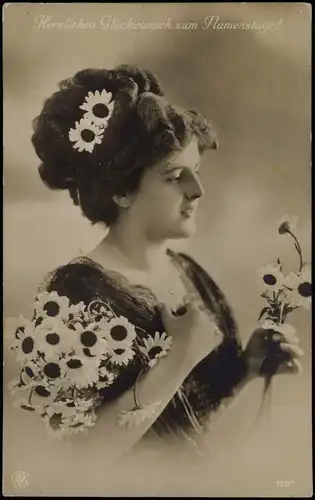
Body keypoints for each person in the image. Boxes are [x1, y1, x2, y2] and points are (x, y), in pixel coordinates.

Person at [29, 64, 303, 472]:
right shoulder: (75, 295)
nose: (198, 190)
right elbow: (74, 460)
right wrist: (177, 358)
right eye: (176, 176)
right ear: (120, 190)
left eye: (198, 172)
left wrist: (246, 369)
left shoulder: (189, 273)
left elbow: (185, 427)